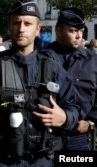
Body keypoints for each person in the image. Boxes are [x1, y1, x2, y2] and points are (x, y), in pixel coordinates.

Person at [0, 0, 79, 166]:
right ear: (9, 26)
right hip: (4, 161)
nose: (21, 28)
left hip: (44, 160)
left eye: (27, 23)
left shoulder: (53, 68)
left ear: (38, 29)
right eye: (16, 22)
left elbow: (74, 106)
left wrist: (65, 117)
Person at [41, 7, 97, 151]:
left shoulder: (92, 61)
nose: (78, 36)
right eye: (73, 31)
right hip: (46, 135)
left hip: (78, 137)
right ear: (58, 31)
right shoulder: (42, 57)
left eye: (81, 31)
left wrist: (90, 122)